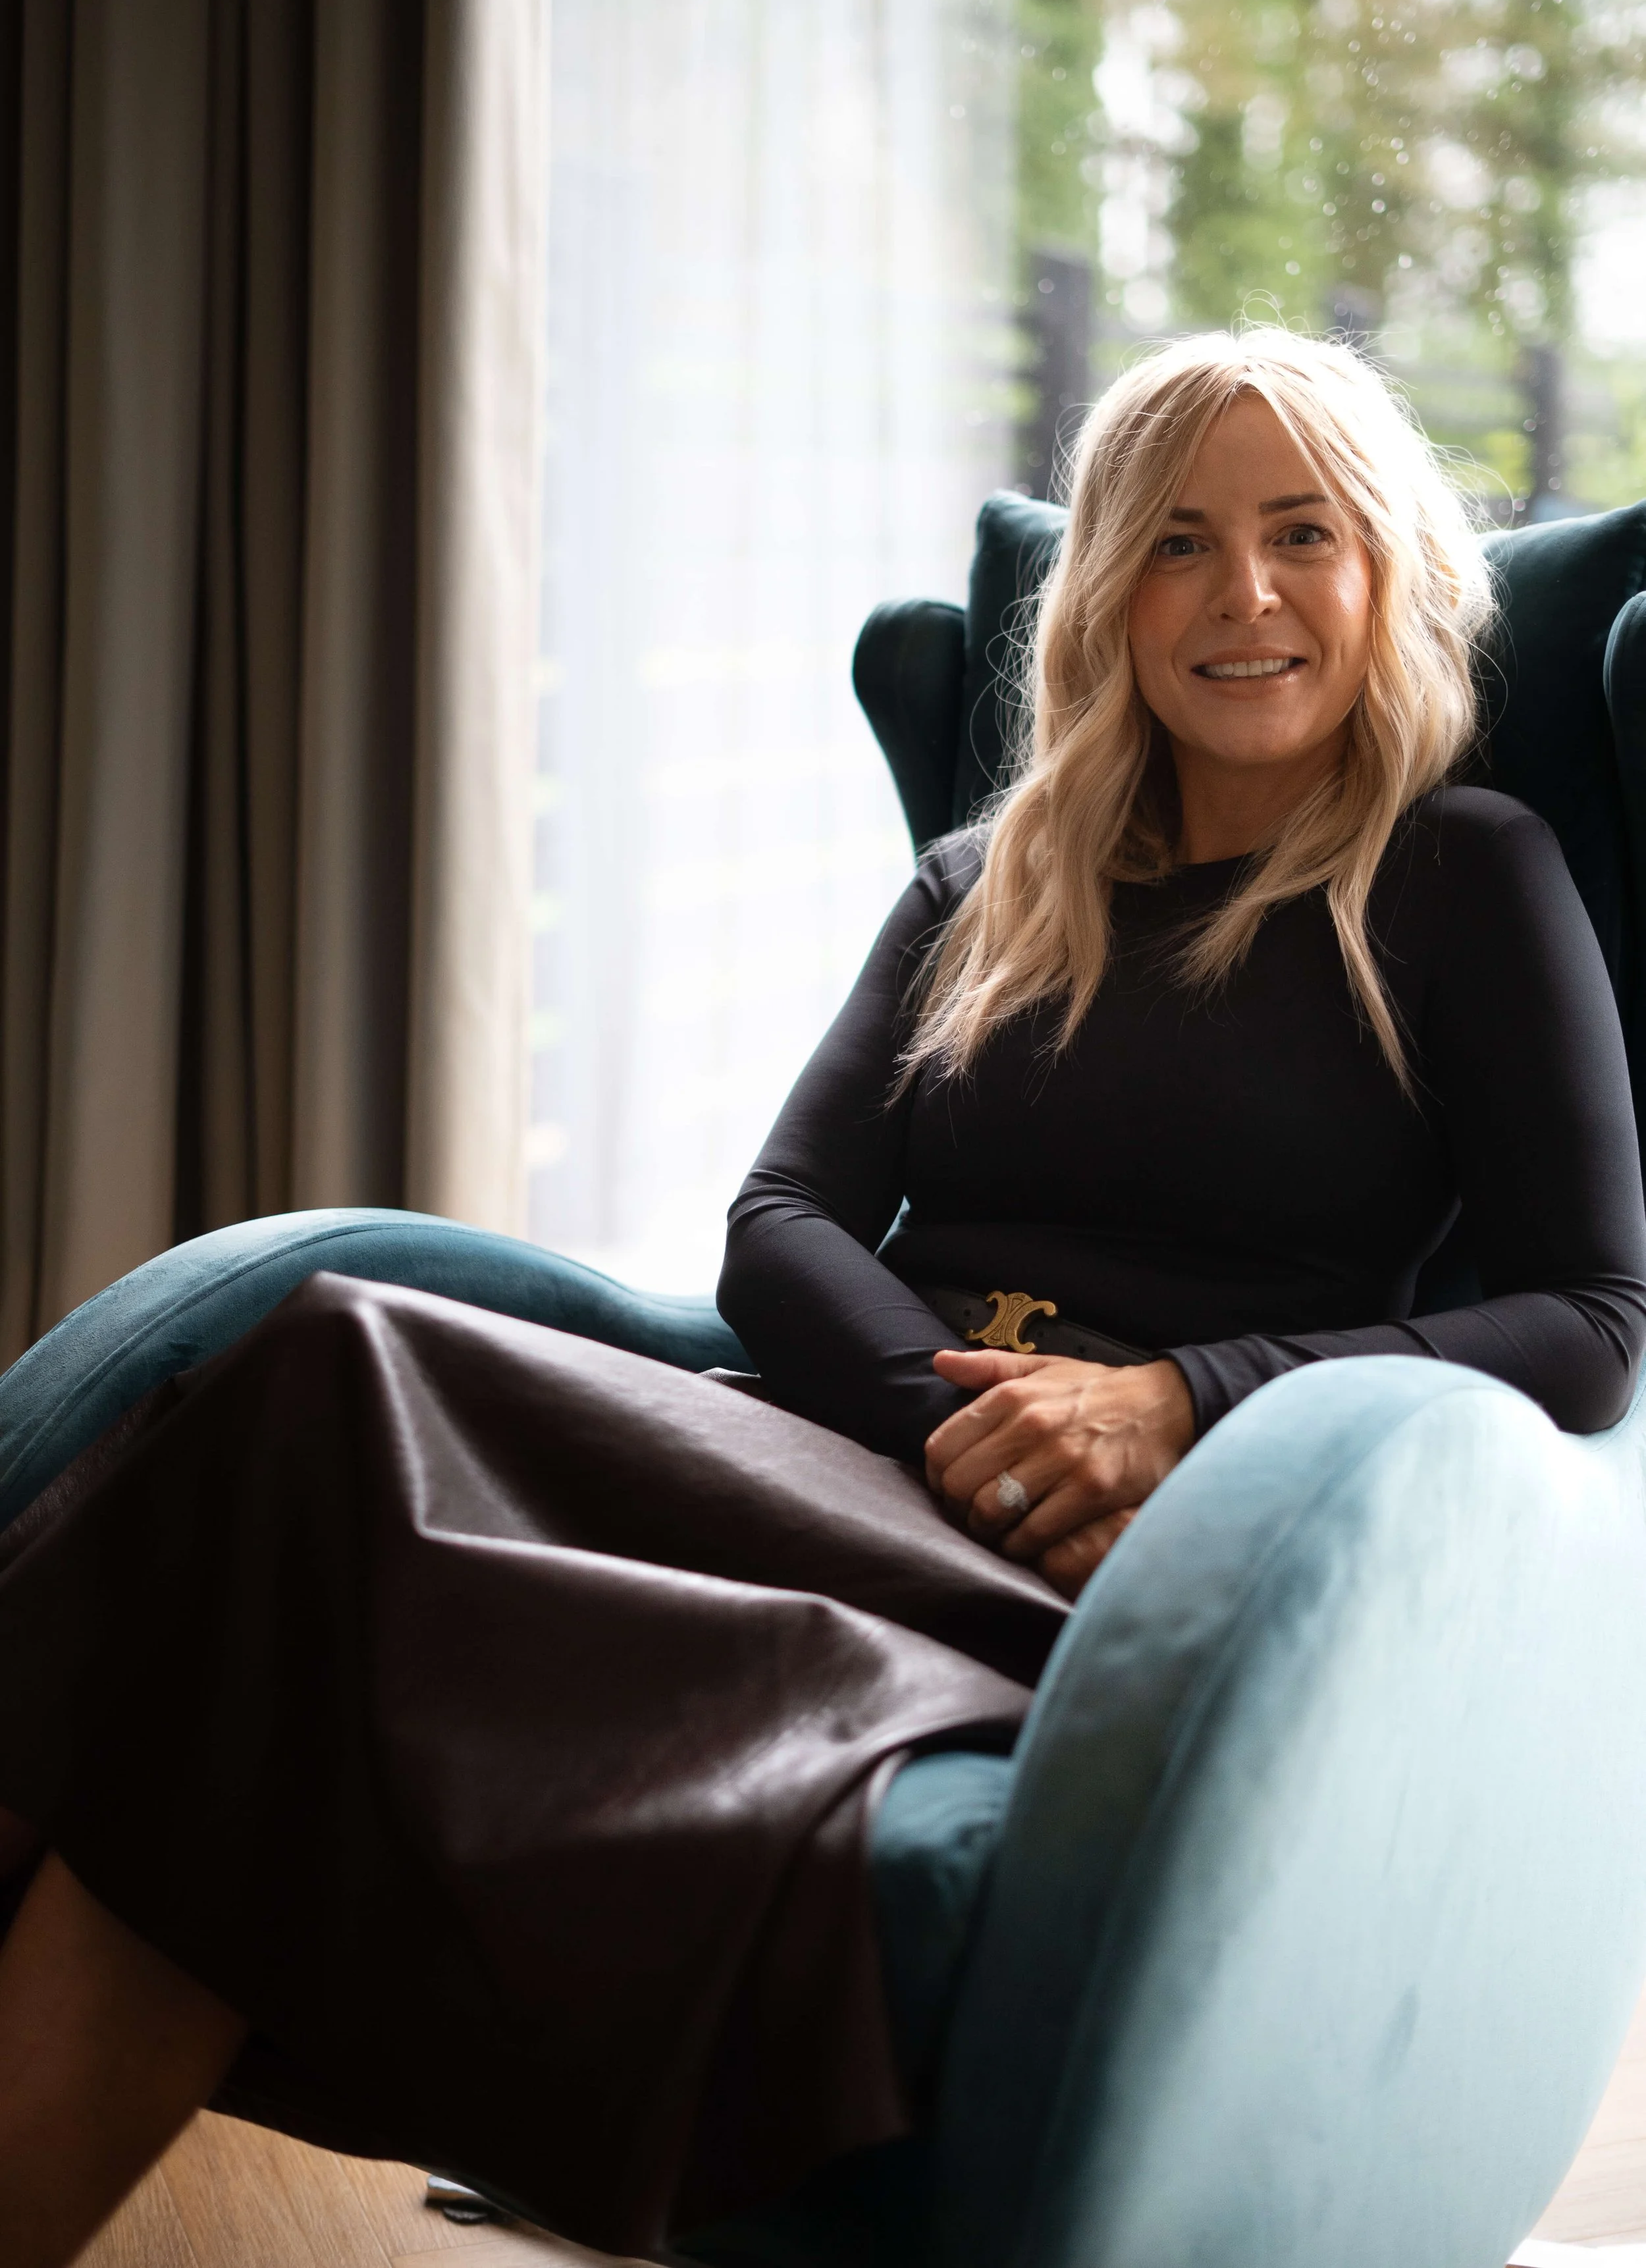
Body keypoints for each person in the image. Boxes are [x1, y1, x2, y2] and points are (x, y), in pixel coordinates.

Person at [0, 329, 1641, 2268]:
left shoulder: (1459, 872)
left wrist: (1176, 1399)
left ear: (1383, 573)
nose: (1245, 596)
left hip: (1153, 1546)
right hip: (862, 1446)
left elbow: (1589, 1315)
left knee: (301, 1508)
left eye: (1301, 534)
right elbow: (781, 1214)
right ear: (1109, 591)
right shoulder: (991, 873)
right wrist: (946, 1422)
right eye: (1180, 544)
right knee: (322, 1364)